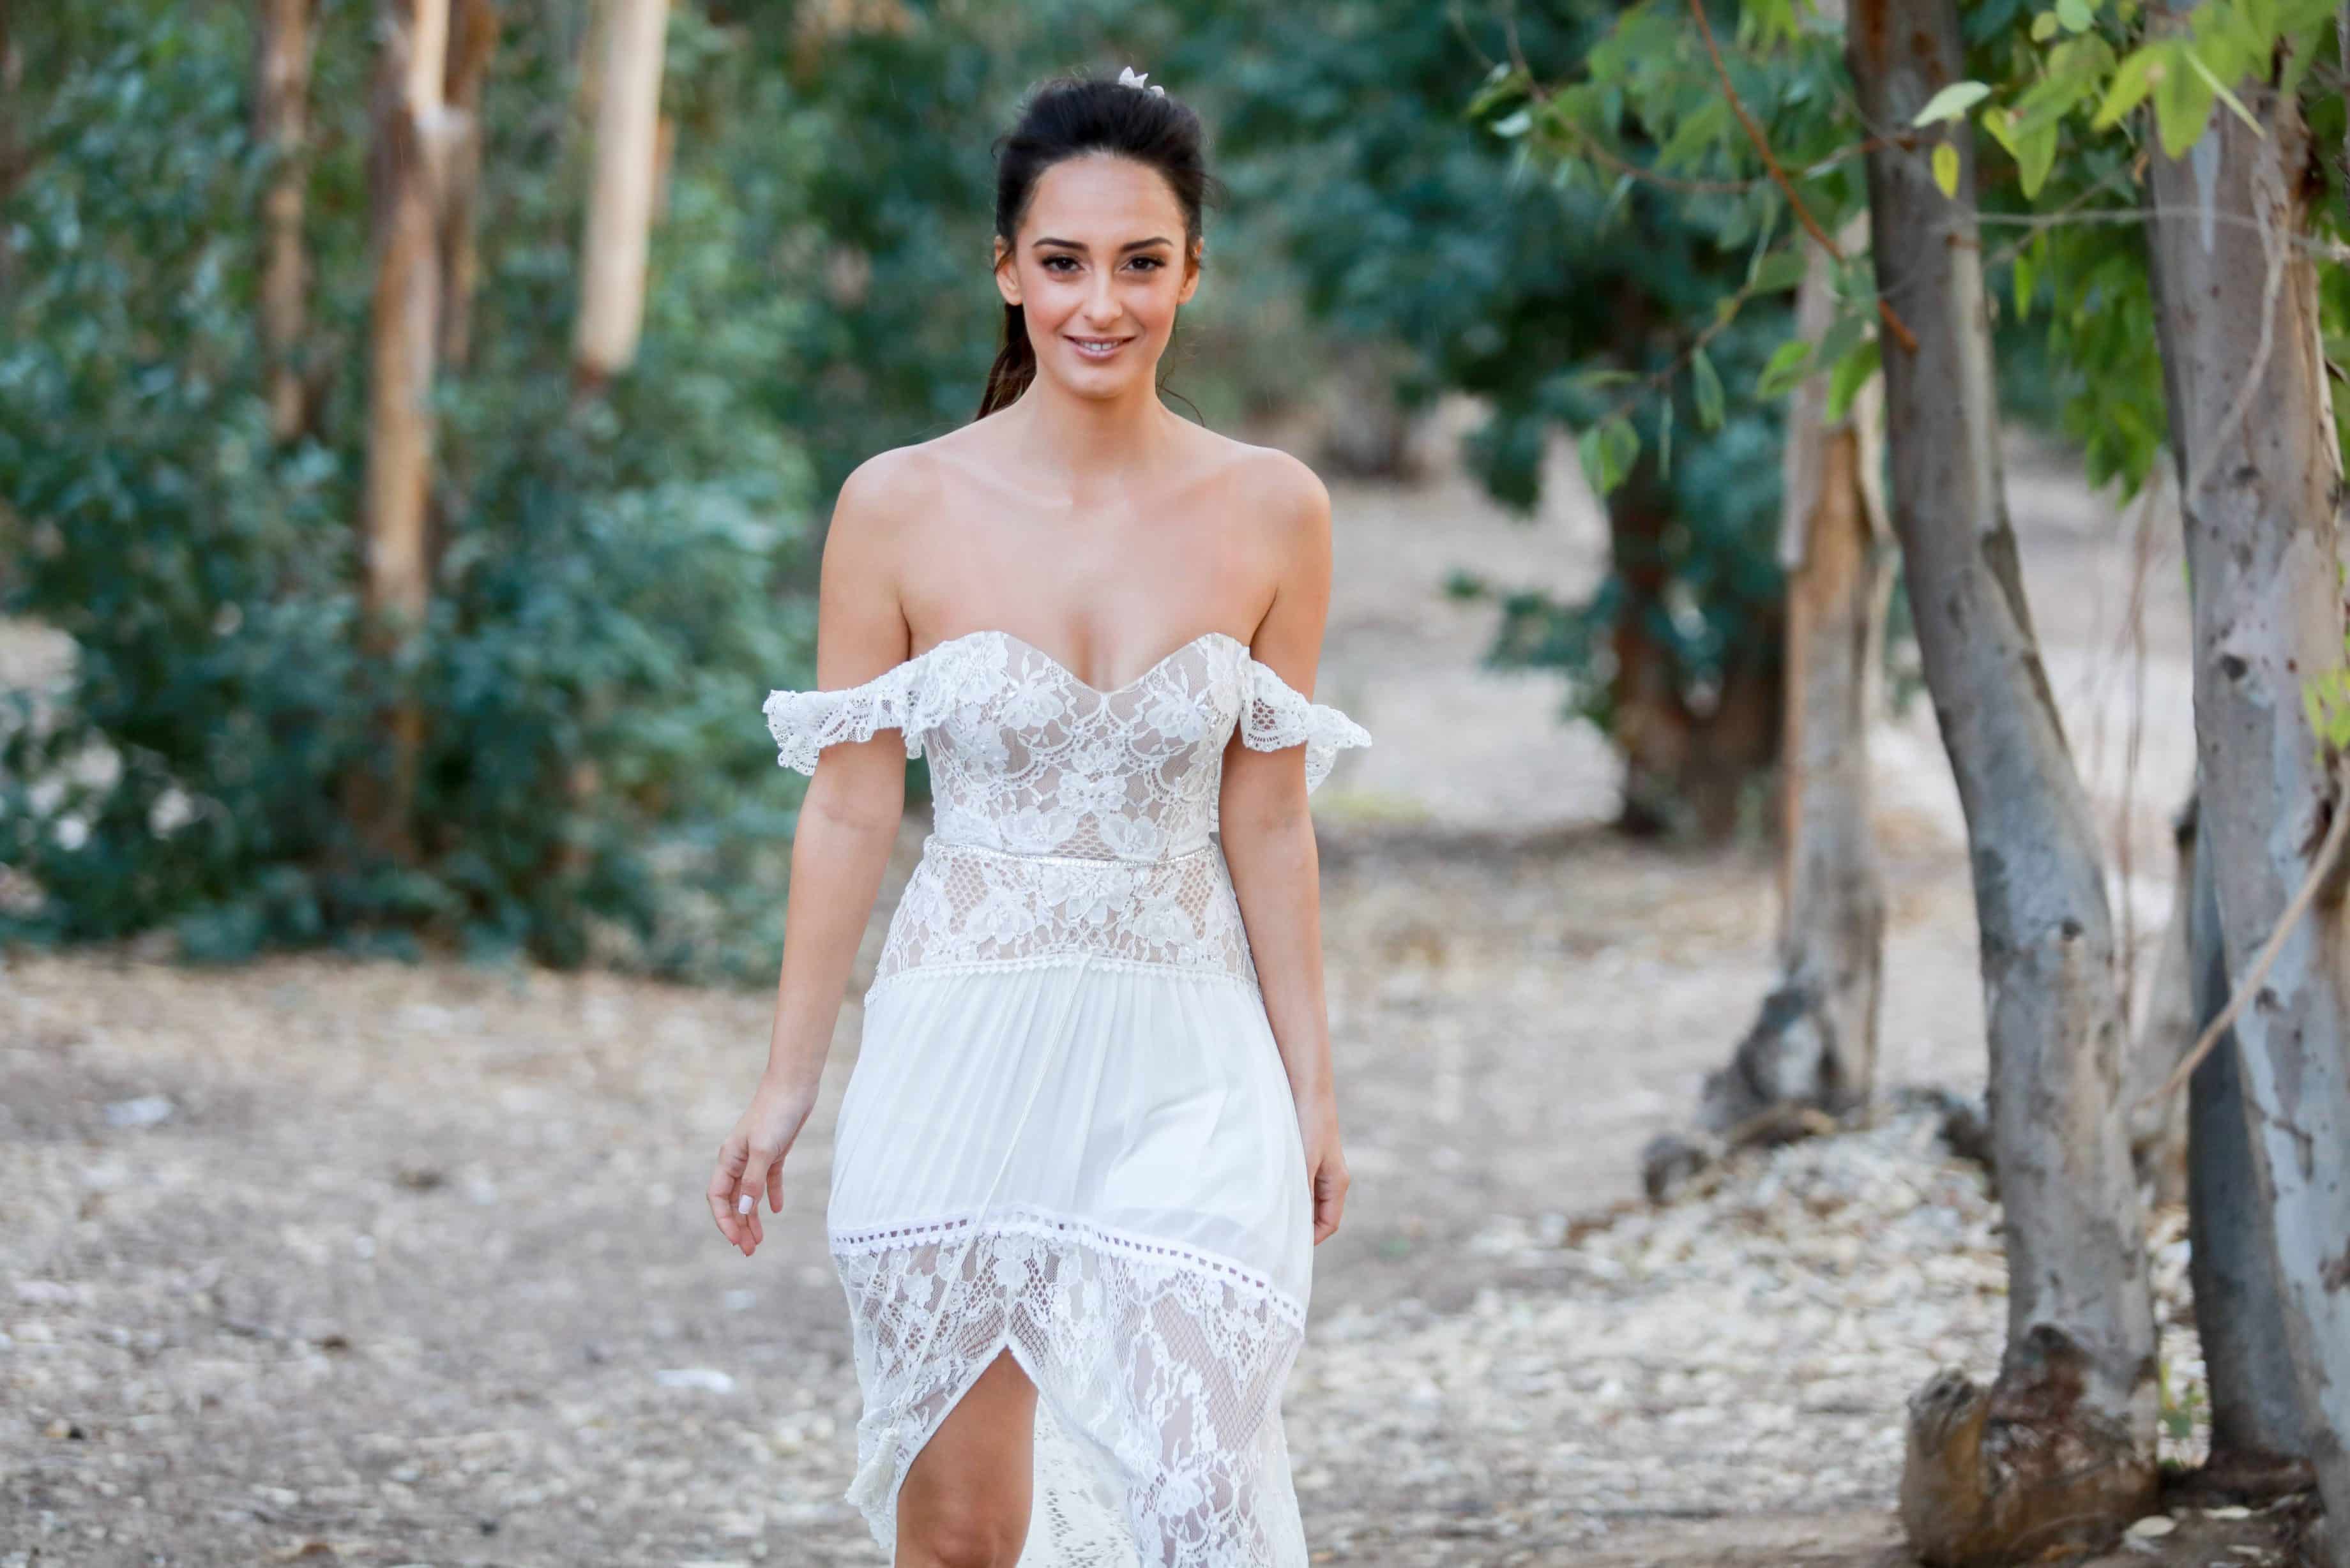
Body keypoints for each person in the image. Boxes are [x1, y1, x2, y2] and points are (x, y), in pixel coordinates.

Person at [705, 64, 1370, 1568]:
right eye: (1063, 261)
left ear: (1192, 273)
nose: (1100, 303)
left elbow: (1270, 820)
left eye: (1141, 262)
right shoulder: (896, 505)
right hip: (960, 1043)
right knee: (959, 1530)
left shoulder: (1276, 509)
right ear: (1006, 269)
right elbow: (850, 810)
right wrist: (787, 1083)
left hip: (1187, 1051)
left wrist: (1312, 1088)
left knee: (1195, 1484)